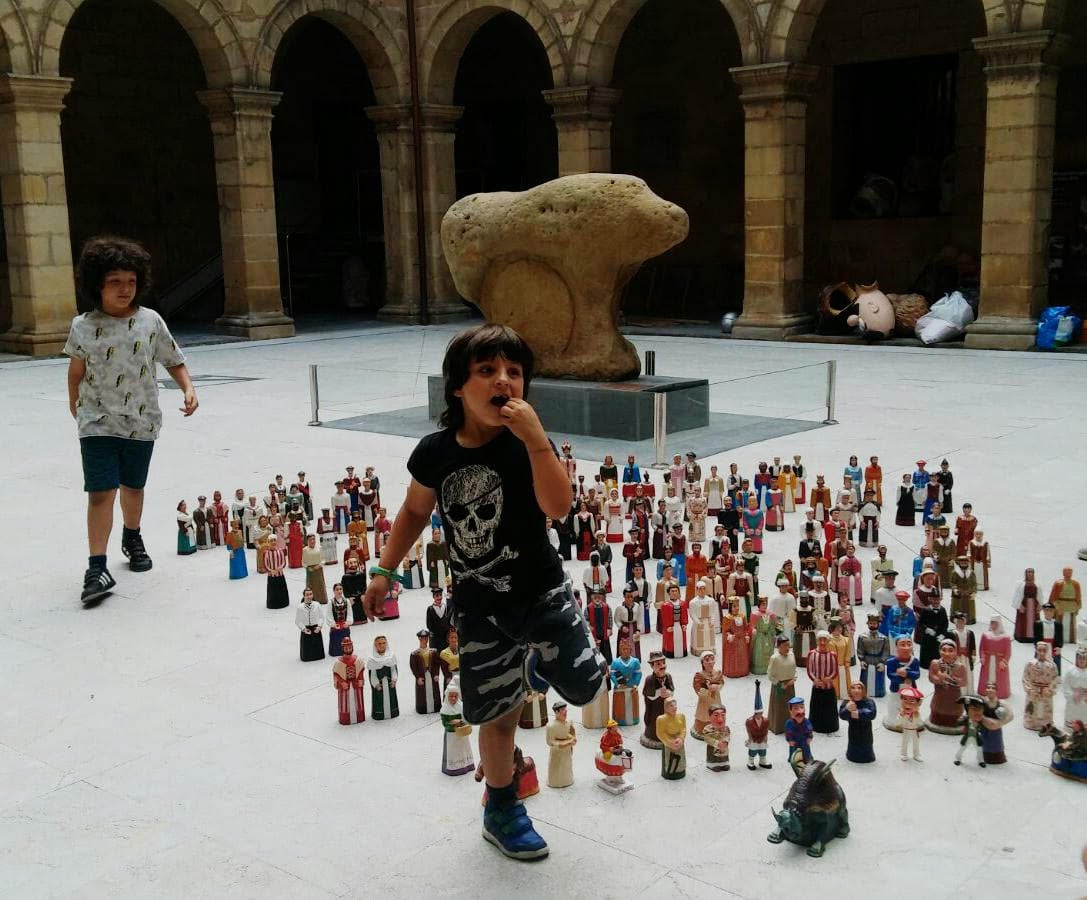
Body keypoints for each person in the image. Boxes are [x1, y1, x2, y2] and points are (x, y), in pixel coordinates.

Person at [360, 324, 603, 862]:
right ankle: (501, 806)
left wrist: (538, 441)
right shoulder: (434, 453)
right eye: (487, 370)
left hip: (541, 592)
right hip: (479, 606)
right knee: (496, 714)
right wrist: (385, 571)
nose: (504, 380)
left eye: (515, 372)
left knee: (586, 686)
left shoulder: (525, 448)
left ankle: (538, 663)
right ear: (457, 388)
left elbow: (559, 508)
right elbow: (415, 511)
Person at [64, 237, 198, 606]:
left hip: (141, 421)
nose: (125, 289)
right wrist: (74, 402)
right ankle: (96, 566)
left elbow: (172, 359)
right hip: (97, 422)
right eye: (115, 282)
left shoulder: (150, 321)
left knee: (133, 488)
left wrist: (188, 387)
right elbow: (75, 370)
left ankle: (132, 535)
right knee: (101, 491)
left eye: (131, 281)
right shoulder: (83, 326)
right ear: (98, 285)